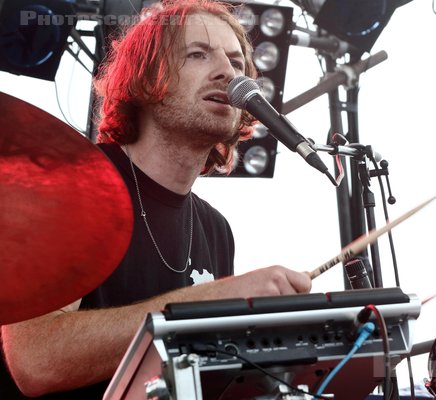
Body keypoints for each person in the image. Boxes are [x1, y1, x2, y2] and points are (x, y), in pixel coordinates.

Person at [0, 1, 312, 398]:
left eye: (236, 61)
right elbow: (36, 361)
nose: (227, 73)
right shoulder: (67, 187)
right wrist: (213, 301)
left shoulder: (217, 230)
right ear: (146, 78)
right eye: (197, 54)